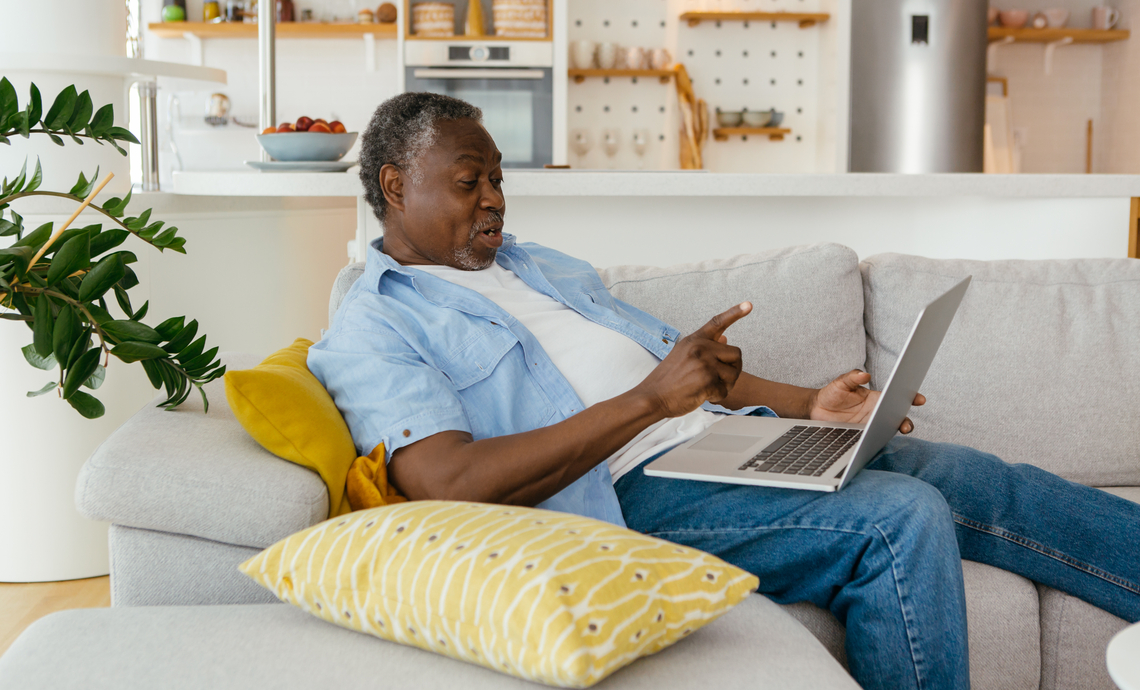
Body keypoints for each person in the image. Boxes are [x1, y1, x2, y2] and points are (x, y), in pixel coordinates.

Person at [308, 93, 1140, 690]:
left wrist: (808, 405)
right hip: (622, 494)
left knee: (965, 474)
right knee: (897, 519)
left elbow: (686, 367)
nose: (494, 199)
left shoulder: (539, 266)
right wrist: (649, 403)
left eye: (497, 179)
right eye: (469, 182)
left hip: (713, 441)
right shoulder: (373, 324)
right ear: (394, 186)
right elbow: (448, 481)